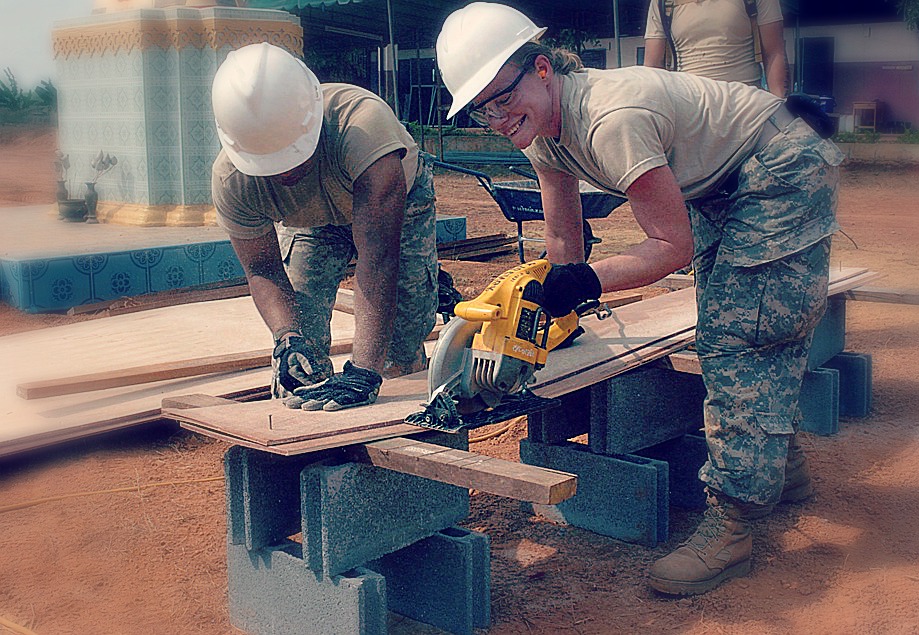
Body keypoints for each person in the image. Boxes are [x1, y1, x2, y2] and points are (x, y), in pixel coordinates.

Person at [436, 3, 843, 595]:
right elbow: (562, 241)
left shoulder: (609, 119)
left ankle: (733, 523)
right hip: (725, 178)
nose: (497, 118)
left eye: (502, 97)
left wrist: (586, 284)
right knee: (741, 319)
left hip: (778, 165)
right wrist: (550, 311)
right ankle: (777, 467)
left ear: (543, 69)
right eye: (482, 109)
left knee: (740, 333)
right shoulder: (541, 132)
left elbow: (669, 246)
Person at [211, 42, 438, 411]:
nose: (285, 172)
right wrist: (287, 339)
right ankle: (310, 436)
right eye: (270, 163)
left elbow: (377, 260)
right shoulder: (232, 180)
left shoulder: (364, 126)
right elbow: (262, 269)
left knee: (401, 338)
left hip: (396, 203)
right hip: (314, 223)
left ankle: (401, 431)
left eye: (291, 155)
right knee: (302, 344)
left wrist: (364, 371)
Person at [643, 0, 790, 97]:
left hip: (744, 101)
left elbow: (774, 52)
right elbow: (653, 66)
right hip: (688, 103)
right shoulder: (662, 2)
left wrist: (780, 103)